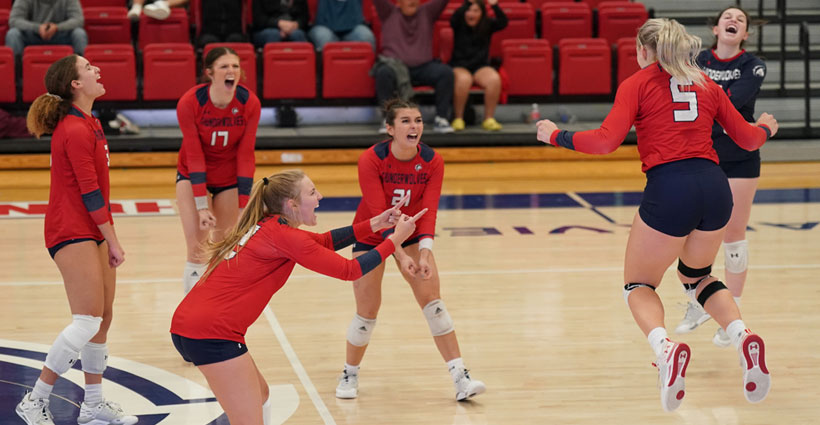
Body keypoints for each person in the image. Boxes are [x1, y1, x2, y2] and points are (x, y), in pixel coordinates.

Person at [535, 18, 776, 412]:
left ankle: (665, 350)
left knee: (639, 285)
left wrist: (555, 135)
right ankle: (741, 334)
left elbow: (605, 142)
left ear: (644, 51)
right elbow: (747, 139)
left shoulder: (638, 83)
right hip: (715, 186)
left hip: (671, 186)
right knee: (697, 276)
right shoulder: (706, 83)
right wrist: (765, 128)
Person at [171, 170, 425, 425]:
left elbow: (324, 241)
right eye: (312, 192)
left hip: (190, 326)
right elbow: (351, 271)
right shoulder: (284, 236)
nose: (320, 197)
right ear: (291, 205)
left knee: (260, 396)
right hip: (211, 334)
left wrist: (376, 223)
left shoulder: (270, 226)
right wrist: (396, 240)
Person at [335, 98, 485, 401]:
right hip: (373, 232)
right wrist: (400, 254)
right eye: (405, 121)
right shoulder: (371, 159)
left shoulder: (432, 160)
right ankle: (350, 373)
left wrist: (425, 251)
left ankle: (460, 377)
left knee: (434, 303)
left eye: (417, 120)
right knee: (367, 312)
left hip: (413, 235)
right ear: (390, 128)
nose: (414, 126)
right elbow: (380, 212)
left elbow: (428, 210)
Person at [15, 54, 137, 425]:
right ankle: (35, 400)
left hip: (92, 228)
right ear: (75, 84)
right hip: (71, 228)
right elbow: (90, 193)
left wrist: (107, 237)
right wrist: (113, 240)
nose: (97, 69)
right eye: (88, 68)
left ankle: (94, 404)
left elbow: (98, 189)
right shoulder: (74, 128)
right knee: (86, 320)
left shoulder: (91, 122)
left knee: (103, 317)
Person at [675, 6, 767, 348]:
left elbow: (727, 103)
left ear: (744, 34)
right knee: (693, 231)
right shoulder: (696, 60)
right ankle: (699, 303)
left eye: (740, 20)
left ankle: (734, 313)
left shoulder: (752, 65)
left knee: (733, 234)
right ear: (715, 28)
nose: (733, 21)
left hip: (740, 158)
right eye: (728, 17)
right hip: (703, 155)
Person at [175, 46, 261, 293]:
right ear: (210, 73)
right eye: (224, 66)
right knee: (197, 247)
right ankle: (190, 308)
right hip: (192, 175)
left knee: (224, 245)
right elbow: (194, 154)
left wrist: (244, 204)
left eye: (235, 66)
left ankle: (214, 303)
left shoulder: (249, 102)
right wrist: (202, 205)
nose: (231, 70)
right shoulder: (190, 102)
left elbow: (246, 155)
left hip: (228, 177)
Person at [372, 0, 455, 134]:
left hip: (423, 67)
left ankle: (442, 118)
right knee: (383, 73)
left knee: (445, 73)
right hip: (395, 67)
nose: (413, 1)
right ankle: (388, 120)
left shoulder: (427, 12)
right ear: (399, 2)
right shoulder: (388, 12)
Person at [449, 0, 506, 132]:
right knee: (464, 80)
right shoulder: (459, 23)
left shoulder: (487, 25)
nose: (471, 14)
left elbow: (503, 22)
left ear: (482, 13)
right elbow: (454, 18)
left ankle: (489, 119)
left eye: (476, 11)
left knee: (494, 79)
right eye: (469, 10)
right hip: (460, 65)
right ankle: (458, 118)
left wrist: (494, 5)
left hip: (480, 67)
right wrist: (468, 3)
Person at [6, 0, 87, 57]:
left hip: (60, 35)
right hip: (33, 36)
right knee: (13, 34)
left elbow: (78, 20)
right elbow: (14, 20)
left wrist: (57, 27)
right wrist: (37, 28)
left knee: (79, 34)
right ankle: (16, 77)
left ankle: (82, 75)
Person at [309, 0, 376, 51]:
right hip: (324, 26)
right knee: (323, 38)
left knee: (366, 37)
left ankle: (370, 69)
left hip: (353, 27)